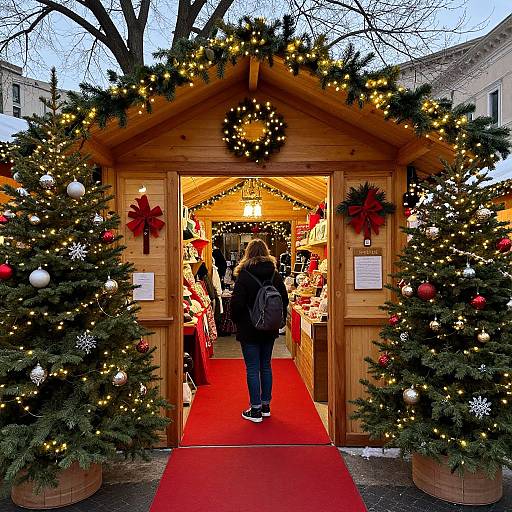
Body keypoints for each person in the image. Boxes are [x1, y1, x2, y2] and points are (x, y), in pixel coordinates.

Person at [231, 239, 289, 423]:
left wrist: (237, 321)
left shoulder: (244, 275)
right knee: (266, 366)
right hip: (269, 329)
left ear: (248, 253)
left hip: (249, 329)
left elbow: (237, 304)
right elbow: (284, 300)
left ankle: (255, 410)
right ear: (266, 252)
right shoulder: (275, 275)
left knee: (252, 368)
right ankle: (266, 406)